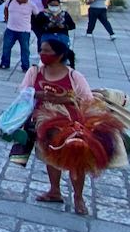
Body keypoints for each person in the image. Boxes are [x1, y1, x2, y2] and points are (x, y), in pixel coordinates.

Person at [17, 39, 112, 216]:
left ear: (60, 55)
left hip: (71, 125)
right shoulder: (35, 71)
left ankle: (78, 197)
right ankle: (54, 191)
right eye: (41, 50)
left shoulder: (74, 76)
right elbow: (23, 91)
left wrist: (66, 99)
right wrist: (38, 94)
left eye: (47, 51)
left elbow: (88, 100)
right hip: (44, 124)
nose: (42, 54)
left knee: (75, 159)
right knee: (51, 157)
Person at [0, 0, 43, 71]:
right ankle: (4, 63)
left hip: (24, 31)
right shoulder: (11, 0)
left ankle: (25, 67)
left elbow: (37, 15)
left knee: (25, 50)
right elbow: (6, 8)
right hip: (10, 29)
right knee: (6, 47)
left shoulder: (31, 4)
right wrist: (6, 18)